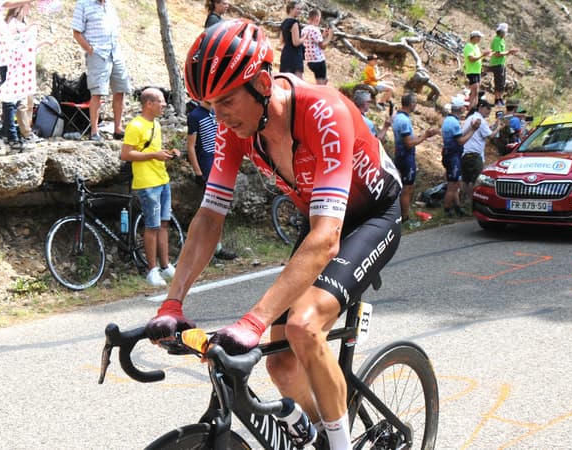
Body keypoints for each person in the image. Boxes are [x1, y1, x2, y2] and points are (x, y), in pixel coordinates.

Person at [148, 19, 404, 450]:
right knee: (281, 364)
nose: (219, 116)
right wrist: (173, 301)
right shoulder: (236, 130)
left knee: (303, 326)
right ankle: (322, 428)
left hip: (372, 216)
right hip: (322, 215)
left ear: (264, 83)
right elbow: (210, 217)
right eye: (211, 105)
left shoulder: (324, 111)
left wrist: (253, 319)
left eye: (226, 100)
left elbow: (326, 239)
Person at [119, 88, 181, 286]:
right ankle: (151, 269)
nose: (164, 105)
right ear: (149, 104)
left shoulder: (155, 124)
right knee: (152, 226)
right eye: (161, 101)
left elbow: (153, 151)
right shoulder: (135, 125)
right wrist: (153, 155)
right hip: (148, 184)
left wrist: (168, 153)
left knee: (163, 223)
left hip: (162, 180)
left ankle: (165, 265)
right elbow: (126, 154)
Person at [72, 0, 131, 142]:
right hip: (98, 53)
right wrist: (90, 49)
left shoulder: (109, 5)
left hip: (114, 52)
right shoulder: (83, 4)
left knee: (120, 89)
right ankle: (94, 132)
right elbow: (76, 32)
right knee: (97, 92)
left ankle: (118, 129)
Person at [186, 101, 238, 260]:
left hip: (219, 163)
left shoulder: (217, 112)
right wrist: (197, 172)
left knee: (220, 209)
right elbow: (190, 146)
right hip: (207, 164)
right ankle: (206, 250)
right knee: (210, 210)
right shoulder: (195, 115)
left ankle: (218, 247)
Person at [0, 0, 33, 150]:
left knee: (9, 95)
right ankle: (12, 138)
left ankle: (5, 134)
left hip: (3, 53)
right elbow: (8, 3)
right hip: (4, 54)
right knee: (10, 96)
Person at [2, 3, 52, 145]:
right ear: (20, 7)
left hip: (28, 65)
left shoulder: (24, 22)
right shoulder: (11, 23)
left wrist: (43, 43)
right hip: (17, 66)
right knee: (21, 102)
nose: (30, 9)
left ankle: (27, 130)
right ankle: (25, 132)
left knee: (29, 101)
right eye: (28, 6)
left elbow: (29, 46)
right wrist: (27, 29)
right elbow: (13, 42)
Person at [392, 92, 439, 223]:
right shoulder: (404, 120)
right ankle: (405, 218)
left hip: (399, 155)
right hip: (406, 157)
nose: (416, 105)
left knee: (404, 187)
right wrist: (425, 136)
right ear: (411, 103)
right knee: (407, 188)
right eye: (415, 103)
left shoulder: (397, 116)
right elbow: (409, 143)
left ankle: (402, 215)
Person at [441, 95, 479, 217]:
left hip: (448, 154)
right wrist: (473, 130)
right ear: (461, 108)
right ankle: (447, 210)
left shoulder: (448, 120)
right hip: (453, 156)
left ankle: (457, 207)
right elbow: (461, 141)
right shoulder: (454, 122)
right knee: (452, 185)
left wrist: (471, 127)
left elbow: (459, 134)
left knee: (455, 183)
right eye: (464, 107)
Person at [460, 98, 500, 206]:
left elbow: (464, 132)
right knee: (476, 181)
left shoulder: (470, 118)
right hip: (475, 155)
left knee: (465, 180)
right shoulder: (480, 120)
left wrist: (493, 126)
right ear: (481, 107)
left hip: (465, 153)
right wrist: (499, 128)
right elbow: (491, 135)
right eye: (487, 109)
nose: (488, 112)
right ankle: (473, 203)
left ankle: (462, 202)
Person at [300, 8, 333, 85]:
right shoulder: (315, 30)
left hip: (310, 61)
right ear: (317, 18)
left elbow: (314, 42)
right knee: (321, 84)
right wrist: (329, 37)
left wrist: (323, 35)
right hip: (318, 60)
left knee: (322, 81)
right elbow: (322, 46)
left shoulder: (305, 29)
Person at [489, 23, 518, 107]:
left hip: (501, 63)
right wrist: (508, 52)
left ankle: (500, 99)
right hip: (496, 63)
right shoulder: (497, 40)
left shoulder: (502, 40)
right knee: (498, 82)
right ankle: (497, 100)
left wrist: (509, 52)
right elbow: (497, 54)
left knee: (502, 83)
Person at [463, 30, 490, 112]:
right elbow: (471, 59)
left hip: (477, 72)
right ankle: (471, 110)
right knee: (474, 91)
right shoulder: (469, 46)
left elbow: (478, 58)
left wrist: (485, 55)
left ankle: (473, 109)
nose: (480, 39)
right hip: (472, 71)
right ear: (473, 37)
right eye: (478, 37)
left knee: (475, 92)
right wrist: (482, 55)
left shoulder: (476, 47)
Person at [279, 2, 304, 78]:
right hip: (295, 56)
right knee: (297, 83)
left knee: (285, 82)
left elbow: (281, 41)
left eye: (300, 9)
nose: (299, 11)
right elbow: (296, 43)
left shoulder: (284, 22)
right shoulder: (294, 23)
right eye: (297, 9)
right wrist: (305, 37)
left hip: (285, 54)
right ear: (291, 9)